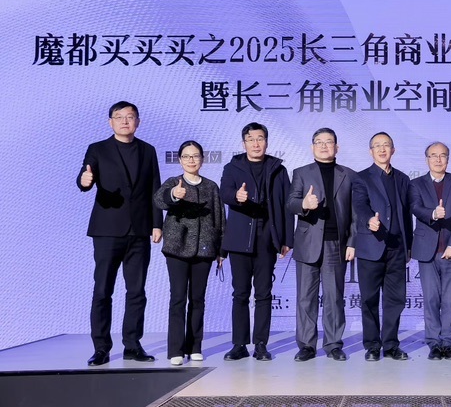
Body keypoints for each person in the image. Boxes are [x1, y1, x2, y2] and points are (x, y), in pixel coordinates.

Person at [77, 100, 162, 366]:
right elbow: (84, 176)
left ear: (138, 121)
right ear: (110, 122)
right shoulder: (98, 149)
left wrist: (157, 224)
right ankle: (101, 347)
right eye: (119, 116)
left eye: (130, 116)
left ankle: (132, 345)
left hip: (139, 231)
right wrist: (84, 181)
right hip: (107, 230)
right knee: (103, 290)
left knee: (137, 291)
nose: (125, 121)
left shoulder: (148, 150)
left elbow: (155, 189)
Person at [220, 122, 293, 362]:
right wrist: (236, 196)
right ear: (244, 143)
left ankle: (261, 344)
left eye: (260, 138)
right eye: (251, 139)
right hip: (239, 239)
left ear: (266, 142)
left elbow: (287, 205)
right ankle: (239, 344)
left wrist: (286, 239)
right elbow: (224, 193)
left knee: (264, 293)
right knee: (240, 293)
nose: (256, 143)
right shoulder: (233, 167)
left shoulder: (278, 169)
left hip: (267, 239)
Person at [287, 128, 358, 362]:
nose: (324, 146)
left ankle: (334, 344)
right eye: (319, 142)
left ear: (337, 147)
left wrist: (352, 242)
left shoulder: (349, 175)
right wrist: (304, 204)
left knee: (334, 297)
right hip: (308, 243)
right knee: (305, 297)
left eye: (329, 142)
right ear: (312, 147)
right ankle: (307, 345)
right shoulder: (301, 173)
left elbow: (356, 213)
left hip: (336, 244)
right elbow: (290, 203)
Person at [153, 141, 225, 366]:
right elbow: (158, 200)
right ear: (180, 160)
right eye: (186, 156)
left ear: (202, 159)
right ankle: (175, 349)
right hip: (177, 248)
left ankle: (195, 346)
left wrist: (221, 250)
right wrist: (174, 194)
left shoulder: (211, 186)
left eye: (195, 156)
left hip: (204, 249)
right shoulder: (173, 182)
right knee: (178, 298)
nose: (191, 160)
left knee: (198, 299)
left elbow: (220, 219)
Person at [352, 132, 413, 361]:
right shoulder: (361, 178)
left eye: (386, 145)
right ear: (371, 151)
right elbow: (360, 204)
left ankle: (391, 345)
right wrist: (369, 219)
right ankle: (372, 345)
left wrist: (409, 246)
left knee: (395, 300)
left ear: (393, 150)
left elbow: (406, 214)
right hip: (371, 247)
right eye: (377, 145)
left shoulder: (403, 179)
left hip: (397, 248)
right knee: (369, 299)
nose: (382, 149)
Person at [409, 142, 451, 361]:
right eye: (433, 155)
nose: (438, 159)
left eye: (442, 155)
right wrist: (433, 213)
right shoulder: (416, 184)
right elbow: (415, 207)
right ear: (426, 159)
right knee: (431, 299)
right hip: (428, 251)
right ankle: (434, 343)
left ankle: (448, 343)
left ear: (448, 159)